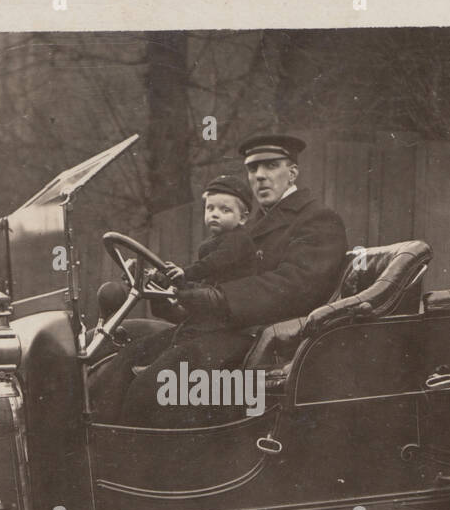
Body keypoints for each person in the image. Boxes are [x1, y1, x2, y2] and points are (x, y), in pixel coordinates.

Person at [91, 133, 348, 428]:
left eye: (271, 166)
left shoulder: (317, 219)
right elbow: (213, 282)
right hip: (225, 332)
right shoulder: (246, 227)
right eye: (253, 169)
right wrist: (169, 295)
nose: (260, 176)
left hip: (265, 343)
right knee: (124, 358)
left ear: (292, 173)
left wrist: (218, 298)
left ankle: (135, 467)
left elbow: (293, 286)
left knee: (153, 388)